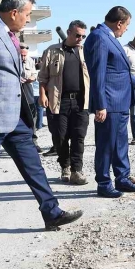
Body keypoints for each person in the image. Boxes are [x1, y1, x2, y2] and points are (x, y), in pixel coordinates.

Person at [0, 0, 82, 250]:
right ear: (14, 12)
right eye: (27, 14)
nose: (28, 19)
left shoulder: (9, 34)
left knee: (33, 166)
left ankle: (51, 212)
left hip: (13, 118)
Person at [85, 6, 135, 198]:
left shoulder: (110, 38)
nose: (127, 29)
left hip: (120, 102)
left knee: (120, 144)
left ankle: (122, 178)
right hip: (109, 103)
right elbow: (98, 73)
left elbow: (118, 70)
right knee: (106, 145)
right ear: (119, 23)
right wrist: (100, 104)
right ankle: (104, 183)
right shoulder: (99, 37)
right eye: (127, 25)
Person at [38, 20, 91, 185]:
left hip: (81, 102)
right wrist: (42, 95)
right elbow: (43, 77)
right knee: (59, 136)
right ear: (68, 33)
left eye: (83, 36)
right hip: (58, 101)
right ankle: (65, 166)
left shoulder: (85, 52)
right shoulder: (52, 51)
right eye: (77, 35)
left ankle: (77, 170)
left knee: (79, 137)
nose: (80, 39)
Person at [20, 45, 43, 153]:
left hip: (28, 97)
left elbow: (34, 74)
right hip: (15, 98)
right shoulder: (12, 61)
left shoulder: (30, 61)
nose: (23, 57)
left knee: (32, 120)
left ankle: (34, 143)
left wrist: (32, 78)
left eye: (25, 55)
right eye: (21, 55)